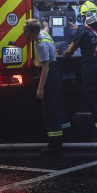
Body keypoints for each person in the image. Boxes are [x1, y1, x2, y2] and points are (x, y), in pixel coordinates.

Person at [63, 1, 97, 141]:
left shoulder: (82, 31)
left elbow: (70, 50)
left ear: (84, 16)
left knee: (95, 100)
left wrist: (63, 53)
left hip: (92, 70)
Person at [23, 18, 70, 154]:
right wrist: (45, 24)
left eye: (26, 32)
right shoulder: (44, 33)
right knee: (58, 105)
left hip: (50, 74)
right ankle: (66, 134)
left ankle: (55, 144)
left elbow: (45, 68)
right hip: (56, 72)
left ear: (33, 32)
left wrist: (40, 88)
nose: (24, 34)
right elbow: (46, 28)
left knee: (49, 109)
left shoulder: (42, 44)